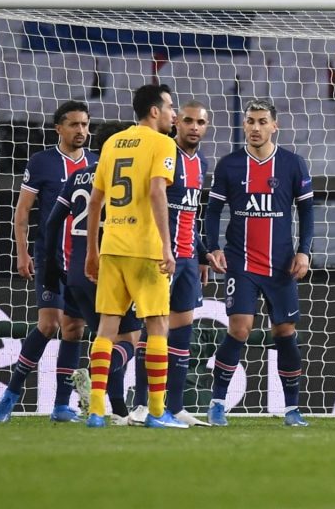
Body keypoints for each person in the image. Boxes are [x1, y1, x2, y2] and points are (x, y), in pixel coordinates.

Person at [204, 98, 314, 428]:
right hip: (241, 262)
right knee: (239, 328)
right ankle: (217, 403)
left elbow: (307, 211)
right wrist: (213, 247)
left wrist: (304, 251)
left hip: (281, 264)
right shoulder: (229, 165)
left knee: (285, 330)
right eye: (250, 121)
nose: (255, 127)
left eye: (262, 121)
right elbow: (211, 212)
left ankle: (292, 409)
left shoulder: (293, 164)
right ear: (244, 125)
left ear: (274, 125)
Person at [84, 83, 185, 429]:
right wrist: (166, 245)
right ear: (154, 111)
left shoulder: (112, 143)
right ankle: (157, 412)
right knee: (157, 325)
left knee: (106, 329)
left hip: (112, 246)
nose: (175, 114)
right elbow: (157, 190)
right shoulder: (163, 143)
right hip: (145, 250)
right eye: (171, 107)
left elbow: (95, 200)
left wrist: (92, 251)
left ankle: (96, 410)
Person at [0, 101, 97, 424]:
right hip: (49, 255)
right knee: (49, 325)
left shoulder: (97, 163)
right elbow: (23, 211)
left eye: (84, 125)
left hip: (80, 258)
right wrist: (22, 252)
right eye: (74, 125)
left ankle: (61, 406)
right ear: (58, 128)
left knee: (74, 329)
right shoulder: (42, 162)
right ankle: (12, 390)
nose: (81, 131)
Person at [42, 121, 142, 425]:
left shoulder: (77, 175)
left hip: (76, 272)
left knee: (104, 338)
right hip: (112, 267)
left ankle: (118, 410)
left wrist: (54, 267)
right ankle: (97, 384)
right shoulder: (125, 177)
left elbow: (50, 225)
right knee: (130, 339)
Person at [127, 100, 213, 427]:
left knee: (182, 331)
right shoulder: (166, 154)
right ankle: (141, 406)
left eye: (200, 122)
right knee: (153, 331)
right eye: (188, 120)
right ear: (176, 123)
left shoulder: (201, 161)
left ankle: (175, 408)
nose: (194, 127)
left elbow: (190, 213)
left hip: (188, 258)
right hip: (162, 257)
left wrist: (203, 253)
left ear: (206, 127)